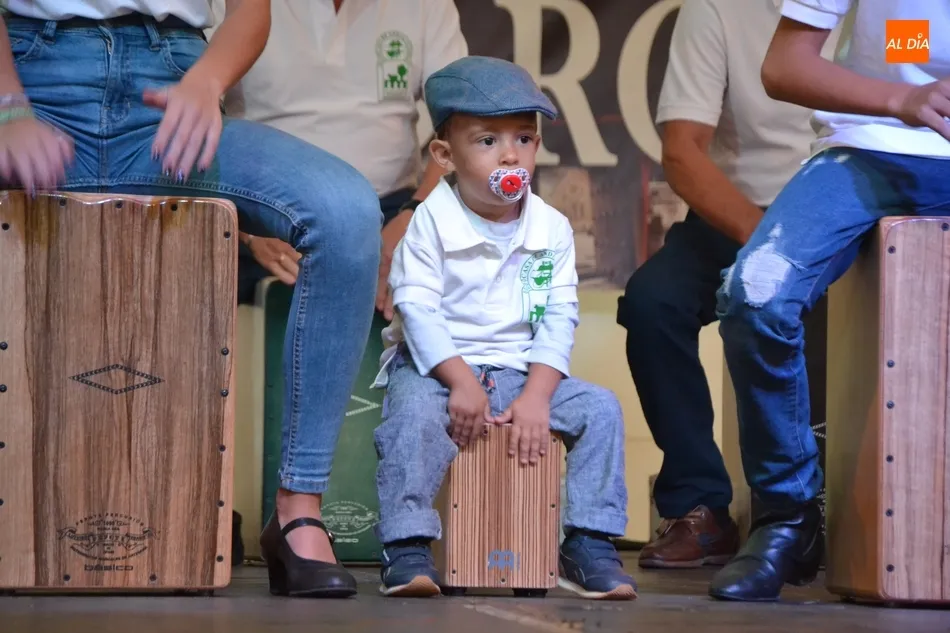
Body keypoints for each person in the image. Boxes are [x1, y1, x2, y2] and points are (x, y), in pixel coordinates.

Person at [0, 0, 382, 598]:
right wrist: (9, 106)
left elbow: (250, 12)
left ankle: (297, 509)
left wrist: (206, 82)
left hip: (171, 92)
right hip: (32, 76)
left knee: (345, 211)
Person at [369, 55, 637, 601]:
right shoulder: (429, 224)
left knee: (600, 409)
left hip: (517, 371)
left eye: (524, 138)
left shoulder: (551, 229)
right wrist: (461, 381)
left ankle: (587, 542)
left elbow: (558, 317)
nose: (511, 153)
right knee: (414, 416)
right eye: (488, 140)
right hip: (436, 368)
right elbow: (417, 311)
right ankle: (409, 545)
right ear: (445, 156)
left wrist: (539, 395)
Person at [711, 0, 949, 602]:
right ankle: (787, 516)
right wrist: (905, 101)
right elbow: (785, 64)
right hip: (872, 146)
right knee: (755, 296)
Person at [615, 0, 840, 569]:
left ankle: (851, 509)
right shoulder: (717, 9)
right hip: (744, 216)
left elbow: (906, 90)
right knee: (653, 301)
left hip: (852, 207)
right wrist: (767, 243)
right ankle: (700, 506)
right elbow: (684, 150)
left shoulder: (890, 13)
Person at [208, 0, 467, 315]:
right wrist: (243, 229)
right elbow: (197, 117)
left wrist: (416, 215)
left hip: (392, 210)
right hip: (261, 215)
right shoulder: (230, 5)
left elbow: (461, 123)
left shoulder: (428, 6)